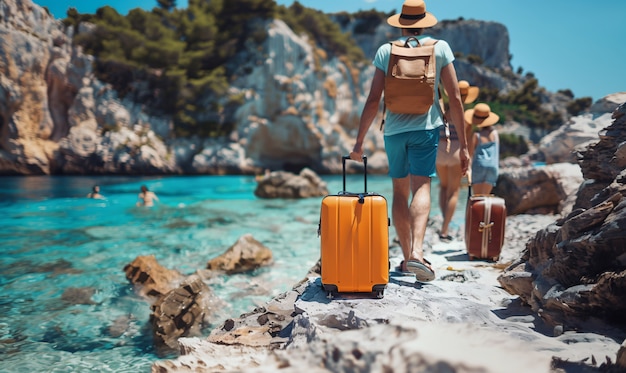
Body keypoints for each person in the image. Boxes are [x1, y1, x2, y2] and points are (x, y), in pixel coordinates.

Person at [349, 0, 469, 282]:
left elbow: (372, 99)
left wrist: (358, 142)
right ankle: (416, 253)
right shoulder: (440, 48)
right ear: (426, 21)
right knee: (422, 187)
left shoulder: (385, 51)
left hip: (393, 131)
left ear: (401, 24)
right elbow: (455, 97)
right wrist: (464, 146)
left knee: (399, 192)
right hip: (426, 129)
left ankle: (405, 258)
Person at [435, 80, 479, 242]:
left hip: (439, 151)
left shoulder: (444, 111)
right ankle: (445, 230)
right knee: (454, 191)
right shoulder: (465, 115)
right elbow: (467, 141)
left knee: (443, 187)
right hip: (455, 153)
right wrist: (468, 162)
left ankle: (444, 220)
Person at [466, 103, 500, 195]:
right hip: (493, 167)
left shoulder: (477, 135)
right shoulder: (495, 134)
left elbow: (470, 154)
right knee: (485, 198)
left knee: (477, 198)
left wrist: (468, 169)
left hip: (479, 166)